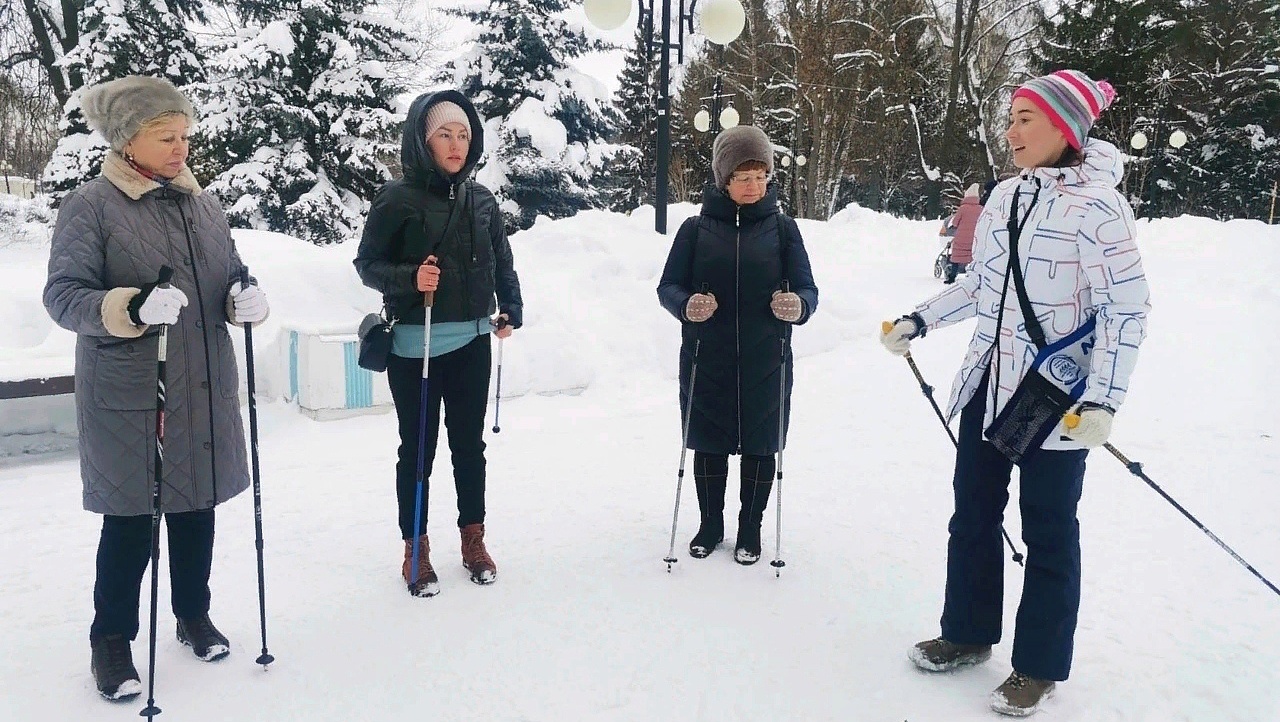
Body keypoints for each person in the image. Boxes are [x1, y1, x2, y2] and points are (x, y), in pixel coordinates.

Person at [880, 70, 1151, 716]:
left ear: (1066, 127)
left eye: (1026, 119)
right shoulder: (1004, 197)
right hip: (989, 383)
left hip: (1053, 398)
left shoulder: (1100, 207)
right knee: (971, 512)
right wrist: (920, 318)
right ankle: (968, 632)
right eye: (1011, 120)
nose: (1012, 131)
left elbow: (1126, 310)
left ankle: (1037, 667)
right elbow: (981, 287)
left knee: (1050, 530)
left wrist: (1104, 401)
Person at [43, 76, 269, 701]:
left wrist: (241, 299)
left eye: (184, 136)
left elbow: (227, 279)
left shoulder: (203, 206)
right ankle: (111, 640)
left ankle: (192, 615)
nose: (180, 148)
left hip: (200, 382)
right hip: (132, 393)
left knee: (196, 508)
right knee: (131, 523)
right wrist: (133, 306)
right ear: (127, 139)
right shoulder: (90, 206)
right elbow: (63, 296)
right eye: (165, 136)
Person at [354, 90, 522, 598]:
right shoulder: (396, 198)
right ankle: (416, 544)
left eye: (464, 134)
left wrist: (510, 307)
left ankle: (474, 538)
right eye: (444, 135)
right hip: (416, 345)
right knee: (418, 450)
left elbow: (502, 261)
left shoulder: (482, 199)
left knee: (469, 447)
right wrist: (411, 278)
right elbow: (368, 266)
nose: (456, 144)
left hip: (473, 341)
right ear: (423, 142)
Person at [657, 125, 819, 565]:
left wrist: (797, 305)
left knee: (760, 444)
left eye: (760, 174)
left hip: (767, 357)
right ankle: (710, 525)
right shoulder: (694, 229)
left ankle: (751, 528)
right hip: (706, 357)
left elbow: (808, 290)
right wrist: (686, 304)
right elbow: (668, 286)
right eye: (742, 176)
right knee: (709, 443)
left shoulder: (784, 231)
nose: (753, 185)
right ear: (723, 180)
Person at [941, 182, 983, 284]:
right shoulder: (981, 209)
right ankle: (973, 277)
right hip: (974, 238)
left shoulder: (963, 208)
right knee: (972, 257)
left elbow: (955, 223)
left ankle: (952, 277)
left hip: (961, 238)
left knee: (956, 258)